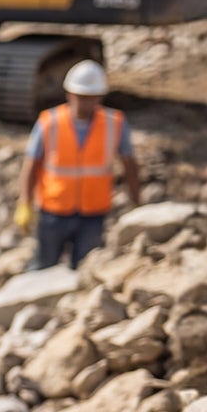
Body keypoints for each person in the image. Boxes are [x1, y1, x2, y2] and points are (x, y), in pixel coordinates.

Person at [24, 60, 137, 270]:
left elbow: (130, 163)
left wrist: (136, 202)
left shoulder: (115, 123)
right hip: (54, 210)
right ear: (69, 93)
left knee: (85, 268)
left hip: (93, 213)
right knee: (43, 265)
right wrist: (25, 203)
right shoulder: (50, 121)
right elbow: (31, 163)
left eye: (90, 97)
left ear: (99, 97)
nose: (84, 102)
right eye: (80, 96)